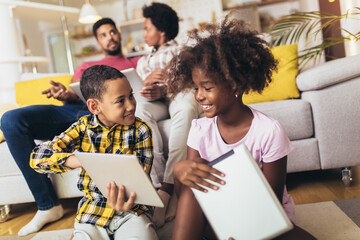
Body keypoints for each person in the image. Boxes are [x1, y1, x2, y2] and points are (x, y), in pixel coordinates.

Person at [166, 16, 316, 240]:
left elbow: (271, 202)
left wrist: (242, 226)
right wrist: (178, 171)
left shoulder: (269, 131)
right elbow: (189, 193)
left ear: (234, 85)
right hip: (217, 219)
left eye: (207, 88)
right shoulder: (199, 129)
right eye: (196, 87)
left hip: (262, 219)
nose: (199, 96)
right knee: (190, 181)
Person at [0, 18, 140, 236]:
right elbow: (75, 95)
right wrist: (64, 94)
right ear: (97, 40)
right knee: (10, 119)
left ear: (119, 34)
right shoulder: (86, 67)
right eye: (103, 35)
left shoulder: (135, 63)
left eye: (112, 32)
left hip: (106, 115)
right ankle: (48, 206)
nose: (109, 37)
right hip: (76, 110)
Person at [30, 65, 157, 240]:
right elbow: (37, 158)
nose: (131, 105)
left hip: (132, 211)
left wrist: (128, 200)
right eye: (121, 100)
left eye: (131, 96)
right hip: (92, 214)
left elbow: (141, 180)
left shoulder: (141, 130)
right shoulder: (83, 128)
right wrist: (78, 160)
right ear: (94, 106)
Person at [135, 2, 203, 227]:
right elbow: (138, 89)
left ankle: (169, 187)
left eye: (147, 28)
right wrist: (147, 85)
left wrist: (164, 87)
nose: (144, 34)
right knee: (139, 110)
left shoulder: (180, 51)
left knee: (185, 107)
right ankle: (156, 187)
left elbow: (190, 80)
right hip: (154, 101)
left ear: (161, 30)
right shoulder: (143, 60)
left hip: (176, 94)